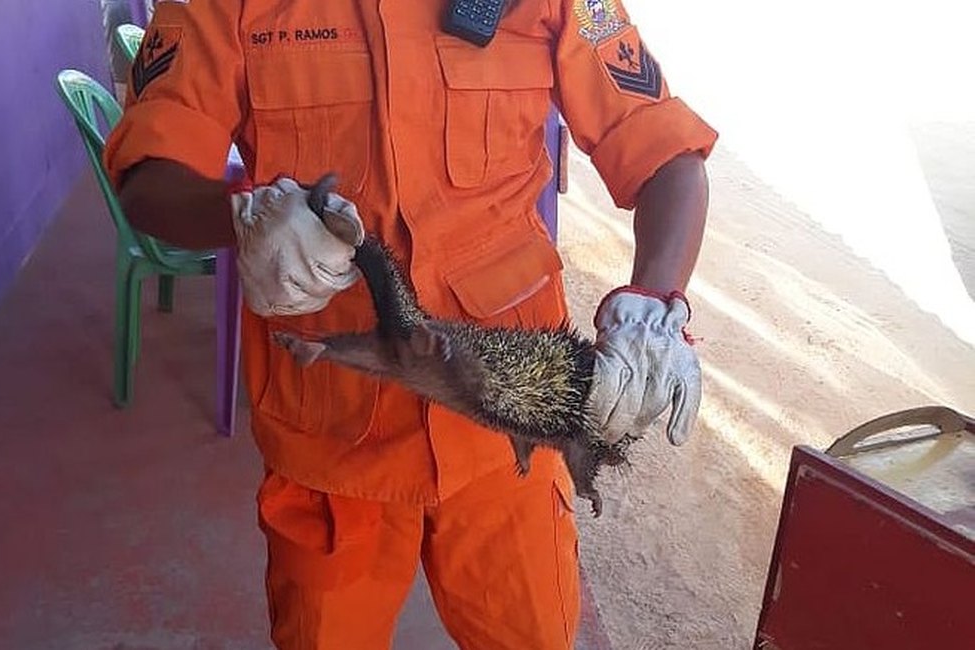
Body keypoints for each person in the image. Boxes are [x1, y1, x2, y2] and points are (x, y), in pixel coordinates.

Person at [104, 0, 716, 647]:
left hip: (510, 434)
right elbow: (148, 174)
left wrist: (656, 302)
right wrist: (242, 217)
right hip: (331, 440)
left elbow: (665, 152)